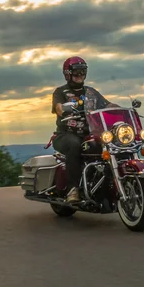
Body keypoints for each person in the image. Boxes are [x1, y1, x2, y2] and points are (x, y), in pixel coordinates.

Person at [51, 57, 121, 203]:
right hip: (65, 135)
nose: (80, 74)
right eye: (77, 71)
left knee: (111, 143)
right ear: (67, 73)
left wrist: (119, 109)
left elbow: (106, 105)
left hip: (89, 134)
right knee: (74, 144)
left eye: (83, 71)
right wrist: (63, 107)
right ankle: (73, 189)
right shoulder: (60, 92)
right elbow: (57, 108)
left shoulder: (91, 92)